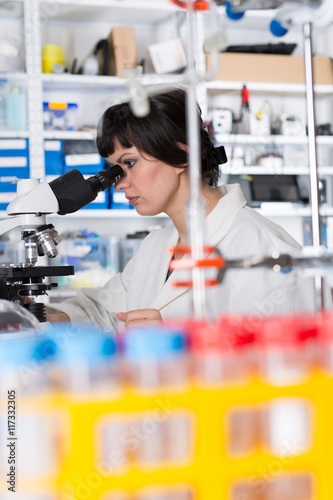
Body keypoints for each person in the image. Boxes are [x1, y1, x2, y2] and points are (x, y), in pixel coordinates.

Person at [45, 87, 321, 331]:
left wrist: (182, 343)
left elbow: (283, 368)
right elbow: (105, 314)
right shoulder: (155, 245)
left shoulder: (264, 250)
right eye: (114, 169)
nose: (118, 184)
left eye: (129, 163)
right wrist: (40, 316)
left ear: (180, 156)